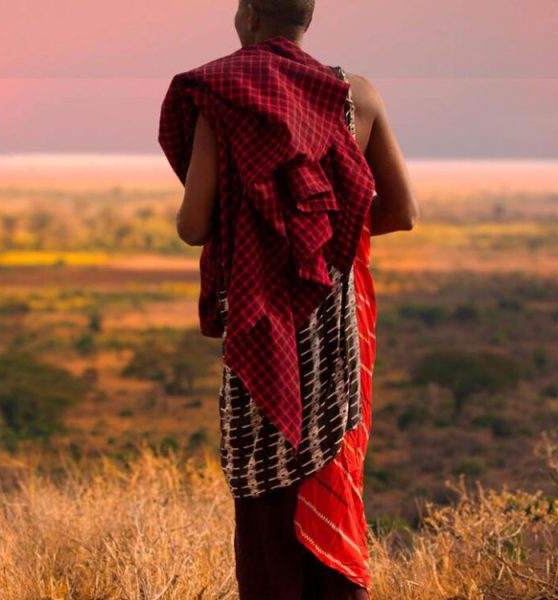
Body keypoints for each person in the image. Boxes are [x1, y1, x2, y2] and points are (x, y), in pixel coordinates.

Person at [158, 1, 418, 598]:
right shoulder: (359, 94)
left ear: (249, 16)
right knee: (330, 463)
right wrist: (320, 236)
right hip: (334, 318)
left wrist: (265, 236)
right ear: (308, 21)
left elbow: (193, 225)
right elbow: (402, 211)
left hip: (263, 315)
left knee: (265, 489)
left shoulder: (223, 96)